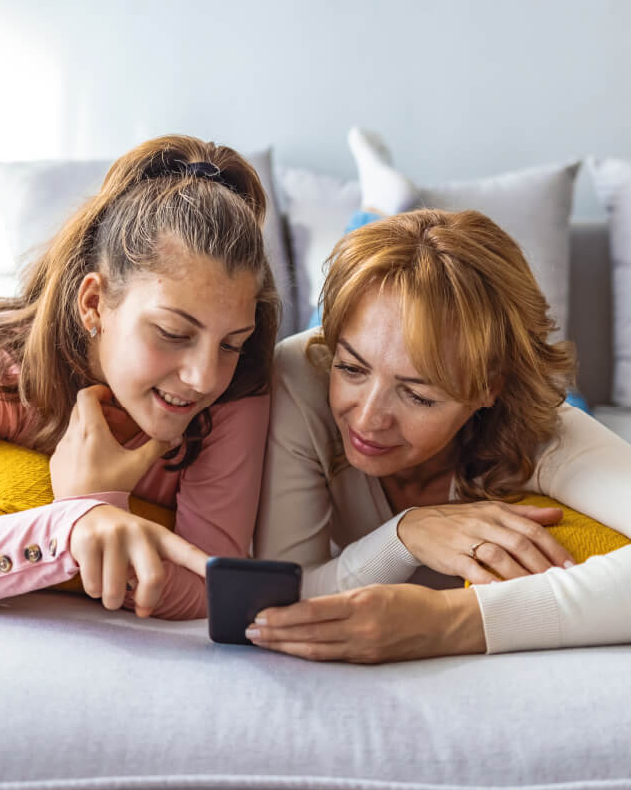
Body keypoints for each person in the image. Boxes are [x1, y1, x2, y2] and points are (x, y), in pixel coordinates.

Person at [252, 204, 631, 662]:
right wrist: (405, 535)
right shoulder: (300, 375)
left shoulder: (544, 431)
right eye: (351, 368)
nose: (368, 419)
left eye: (419, 396)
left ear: (491, 386)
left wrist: (450, 621)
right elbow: (281, 588)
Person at [0, 134, 280, 620]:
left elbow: (213, 583)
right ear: (94, 303)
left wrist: (97, 501)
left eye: (230, 343)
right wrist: (72, 525)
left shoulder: (237, 389)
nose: (202, 377)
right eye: (173, 332)